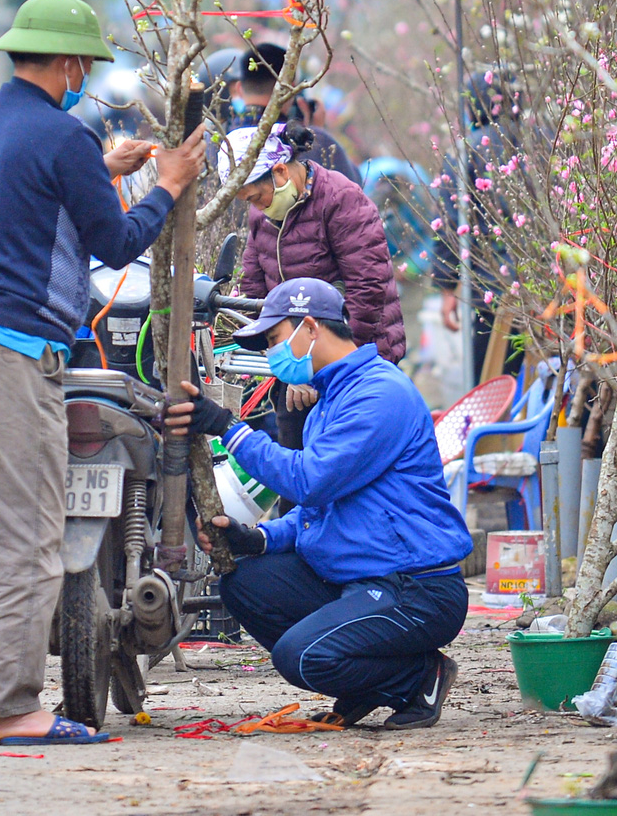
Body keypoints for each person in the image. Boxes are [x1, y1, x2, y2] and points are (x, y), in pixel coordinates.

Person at [0, 0, 206, 747]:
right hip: (12, 348)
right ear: (67, 63)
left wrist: (100, 166)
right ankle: (10, 706)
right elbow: (115, 242)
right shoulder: (64, 136)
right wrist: (169, 185)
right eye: (83, 64)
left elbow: (29, 202)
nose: (84, 76)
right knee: (29, 535)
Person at [166, 278, 471, 729]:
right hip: (359, 577)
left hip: (415, 588)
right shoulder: (331, 400)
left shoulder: (379, 394)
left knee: (301, 657)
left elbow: (309, 481)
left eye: (274, 339)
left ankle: (418, 676)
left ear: (309, 327)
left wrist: (229, 428)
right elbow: (319, 513)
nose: (272, 354)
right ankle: (367, 684)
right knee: (244, 583)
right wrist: (260, 539)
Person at [230, 123, 407, 364]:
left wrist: (331, 361)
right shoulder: (263, 214)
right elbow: (254, 282)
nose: (257, 207)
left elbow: (367, 288)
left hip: (356, 351)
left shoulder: (340, 199)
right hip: (298, 352)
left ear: (280, 171)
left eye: (257, 197)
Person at [432, 69, 526, 389]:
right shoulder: (544, 141)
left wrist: (447, 289)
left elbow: (450, 225)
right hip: (552, 287)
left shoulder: (465, 153)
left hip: (493, 290)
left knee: (491, 384)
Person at [232, 43, 359, 183]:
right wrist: (316, 136)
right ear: (291, 88)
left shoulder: (221, 142)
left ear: (239, 88)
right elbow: (353, 185)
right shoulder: (301, 144)